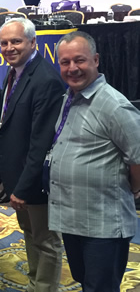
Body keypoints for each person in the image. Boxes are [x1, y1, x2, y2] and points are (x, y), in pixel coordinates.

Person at [47, 31, 140, 292]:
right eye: (65, 62)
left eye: (80, 60)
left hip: (104, 224)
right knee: (85, 281)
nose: (72, 68)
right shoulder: (70, 98)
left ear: (96, 60)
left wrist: (133, 189)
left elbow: (138, 157)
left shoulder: (114, 105)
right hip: (74, 217)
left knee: (100, 287)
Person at [0, 18, 64, 292]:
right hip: (19, 176)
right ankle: (36, 282)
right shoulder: (17, 72)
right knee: (30, 234)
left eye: (16, 42)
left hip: (35, 181)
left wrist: (23, 187)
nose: (9, 48)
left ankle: (44, 287)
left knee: (46, 240)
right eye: (4, 43)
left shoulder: (45, 79)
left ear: (33, 42)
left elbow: (40, 143)